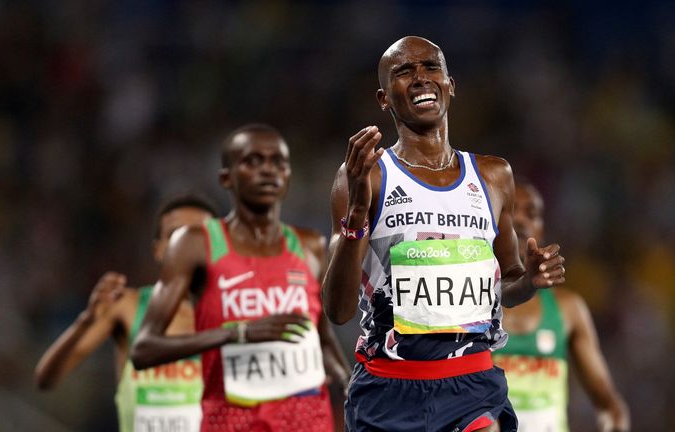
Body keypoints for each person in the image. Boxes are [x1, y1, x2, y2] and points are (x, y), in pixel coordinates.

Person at [323, 36, 565, 432]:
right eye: (404, 72)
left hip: (472, 387)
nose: (420, 78)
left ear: (450, 85)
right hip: (388, 390)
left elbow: (508, 284)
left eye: (430, 67)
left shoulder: (493, 176)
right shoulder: (369, 174)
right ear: (384, 99)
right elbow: (339, 309)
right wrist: (357, 214)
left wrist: (531, 281)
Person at [131, 124, 349, 431]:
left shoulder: (310, 246)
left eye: (278, 162)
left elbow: (322, 339)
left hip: (307, 420)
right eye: (253, 161)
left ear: (288, 175)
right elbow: (144, 349)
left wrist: (347, 381)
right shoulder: (195, 243)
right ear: (225, 177)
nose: (267, 171)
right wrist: (238, 334)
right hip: (232, 421)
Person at [35, 195, 217, 432]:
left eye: (197, 236)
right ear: (158, 250)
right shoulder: (129, 307)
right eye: (175, 235)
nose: (186, 246)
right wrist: (85, 320)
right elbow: (46, 379)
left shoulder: (234, 315)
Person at [492, 179, 630, 432]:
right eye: (511, 212)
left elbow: (608, 403)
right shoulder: (468, 307)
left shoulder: (568, 310)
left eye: (531, 214)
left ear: (542, 230)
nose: (521, 222)